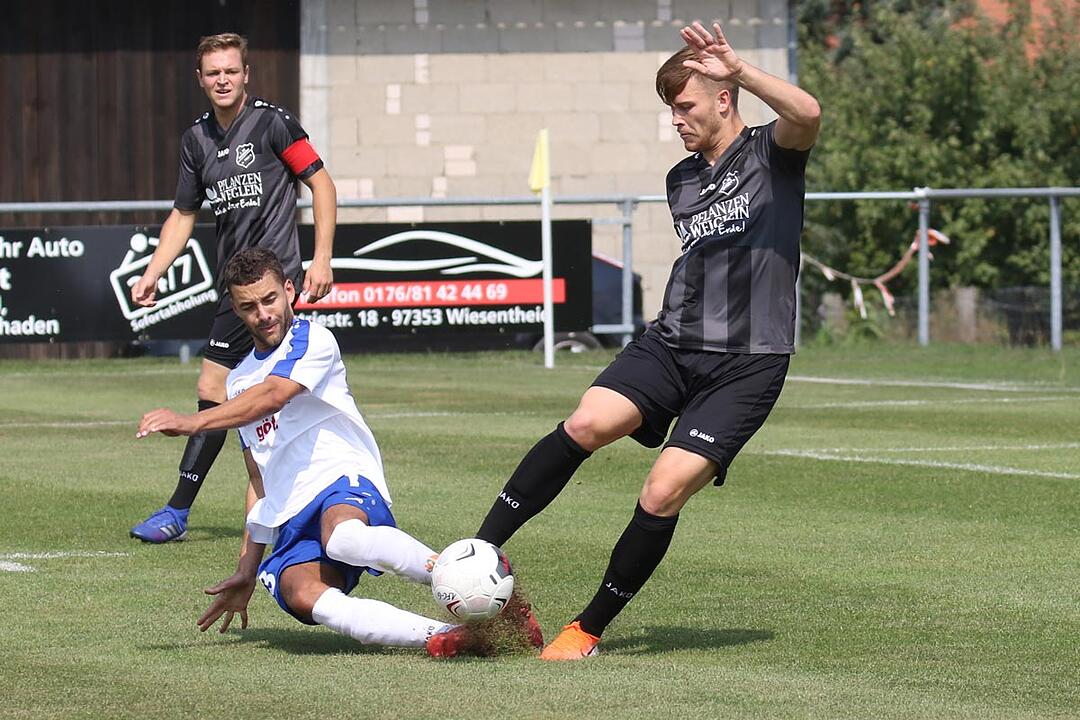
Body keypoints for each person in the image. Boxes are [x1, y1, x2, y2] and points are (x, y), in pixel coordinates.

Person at [463, 20, 822, 660]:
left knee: (661, 490)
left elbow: (808, 110)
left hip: (748, 362)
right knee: (586, 423)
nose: (677, 121)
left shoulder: (773, 152)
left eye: (684, 106)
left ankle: (587, 628)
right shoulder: (680, 179)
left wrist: (739, 68)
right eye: (671, 110)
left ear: (722, 98)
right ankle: (480, 549)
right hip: (672, 343)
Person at [137, 248, 542, 653]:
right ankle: (446, 637)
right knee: (302, 595)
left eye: (270, 299)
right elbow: (258, 477)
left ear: (289, 290)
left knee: (343, 538)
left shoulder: (312, 339)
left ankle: (465, 576)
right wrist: (246, 567)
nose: (263, 313)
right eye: (249, 306)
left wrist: (194, 422)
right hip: (291, 513)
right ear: (236, 310)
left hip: (340, 479)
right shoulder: (239, 381)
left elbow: (276, 394)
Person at [129, 32, 337, 543]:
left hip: (272, 285)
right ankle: (274, 508)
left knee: (228, 392)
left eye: (231, 70)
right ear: (200, 80)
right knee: (244, 398)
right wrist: (155, 270)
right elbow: (184, 212)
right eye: (213, 73)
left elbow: (322, 183)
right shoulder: (196, 140)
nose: (223, 79)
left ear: (246, 74)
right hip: (235, 289)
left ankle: (181, 510)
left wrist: (323, 257)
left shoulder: (274, 123)